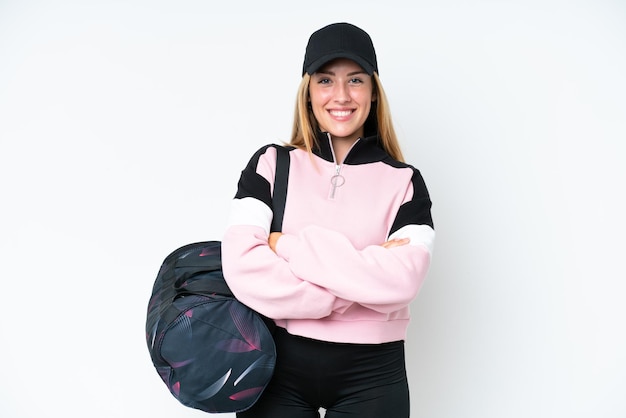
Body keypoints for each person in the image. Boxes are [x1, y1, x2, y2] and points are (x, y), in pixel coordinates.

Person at [221, 22, 435, 418]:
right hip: (273, 365)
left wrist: (285, 245)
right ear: (308, 92)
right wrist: (361, 281)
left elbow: (402, 280)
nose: (341, 96)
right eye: (325, 80)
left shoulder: (405, 181)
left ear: (373, 92)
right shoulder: (271, 164)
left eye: (355, 80)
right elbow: (241, 268)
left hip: (373, 375)